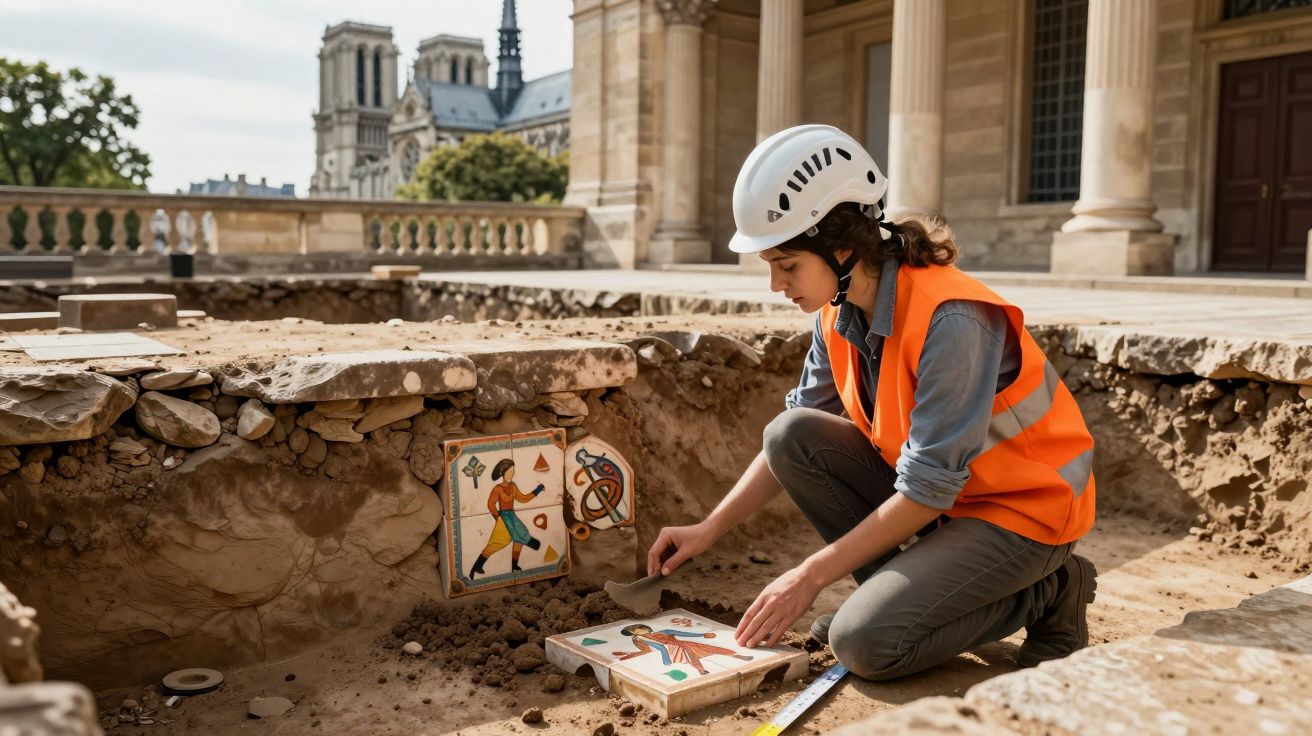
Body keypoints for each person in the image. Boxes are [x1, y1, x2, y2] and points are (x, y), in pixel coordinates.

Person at [646, 124, 1098, 681]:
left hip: (1027, 512)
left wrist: (810, 576)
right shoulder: (836, 312)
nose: (776, 285)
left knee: (864, 646)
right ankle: (892, 603)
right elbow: (793, 435)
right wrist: (708, 529)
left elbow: (928, 488)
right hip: (953, 501)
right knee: (792, 435)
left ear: (841, 249)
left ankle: (1053, 590)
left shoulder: (952, 319)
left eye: (787, 265)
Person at [468, 458, 545, 577]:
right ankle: (476, 566)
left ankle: (514, 565)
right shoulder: (498, 489)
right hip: (503, 518)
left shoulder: (513, 486)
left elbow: (523, 498)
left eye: (513, 471)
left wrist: (537, 490)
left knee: (519, 537)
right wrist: (497, 518)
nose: (512, 474)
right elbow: (490, 504)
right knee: (498, 542)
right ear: (503, 472)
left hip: (511, 516)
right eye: (510, 471)